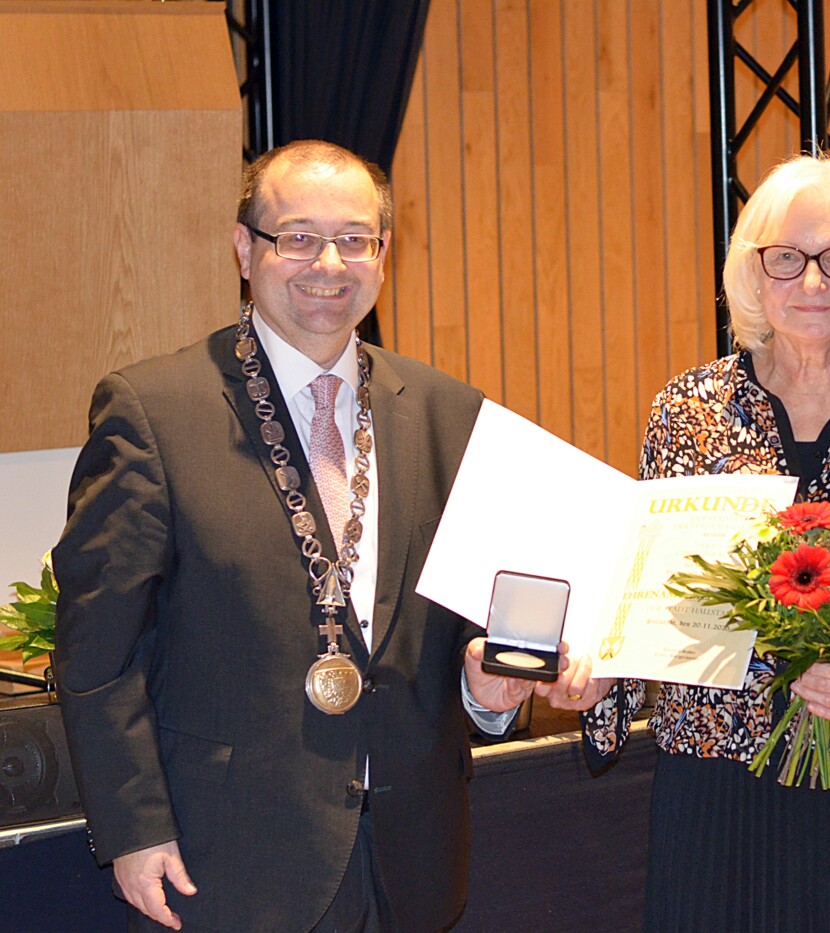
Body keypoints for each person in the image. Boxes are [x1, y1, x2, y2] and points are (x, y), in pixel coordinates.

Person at [53, 140, 558, 932]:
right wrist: (133, 827)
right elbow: (98, 650)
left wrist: (483, 692)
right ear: (244, 248)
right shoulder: (155, 412)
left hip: (409, 860)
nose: (328, 263)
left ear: (383, 255)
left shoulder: (449, 414)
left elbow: (460, 631)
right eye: (297, 237)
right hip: (224, 863)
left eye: (355, 238)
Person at [554, 154, 830, 931]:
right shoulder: (688, 411)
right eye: (786, 257)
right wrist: (600, 677)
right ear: (752, 274)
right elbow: (646, 597)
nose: (812, 281)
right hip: (720, 794)